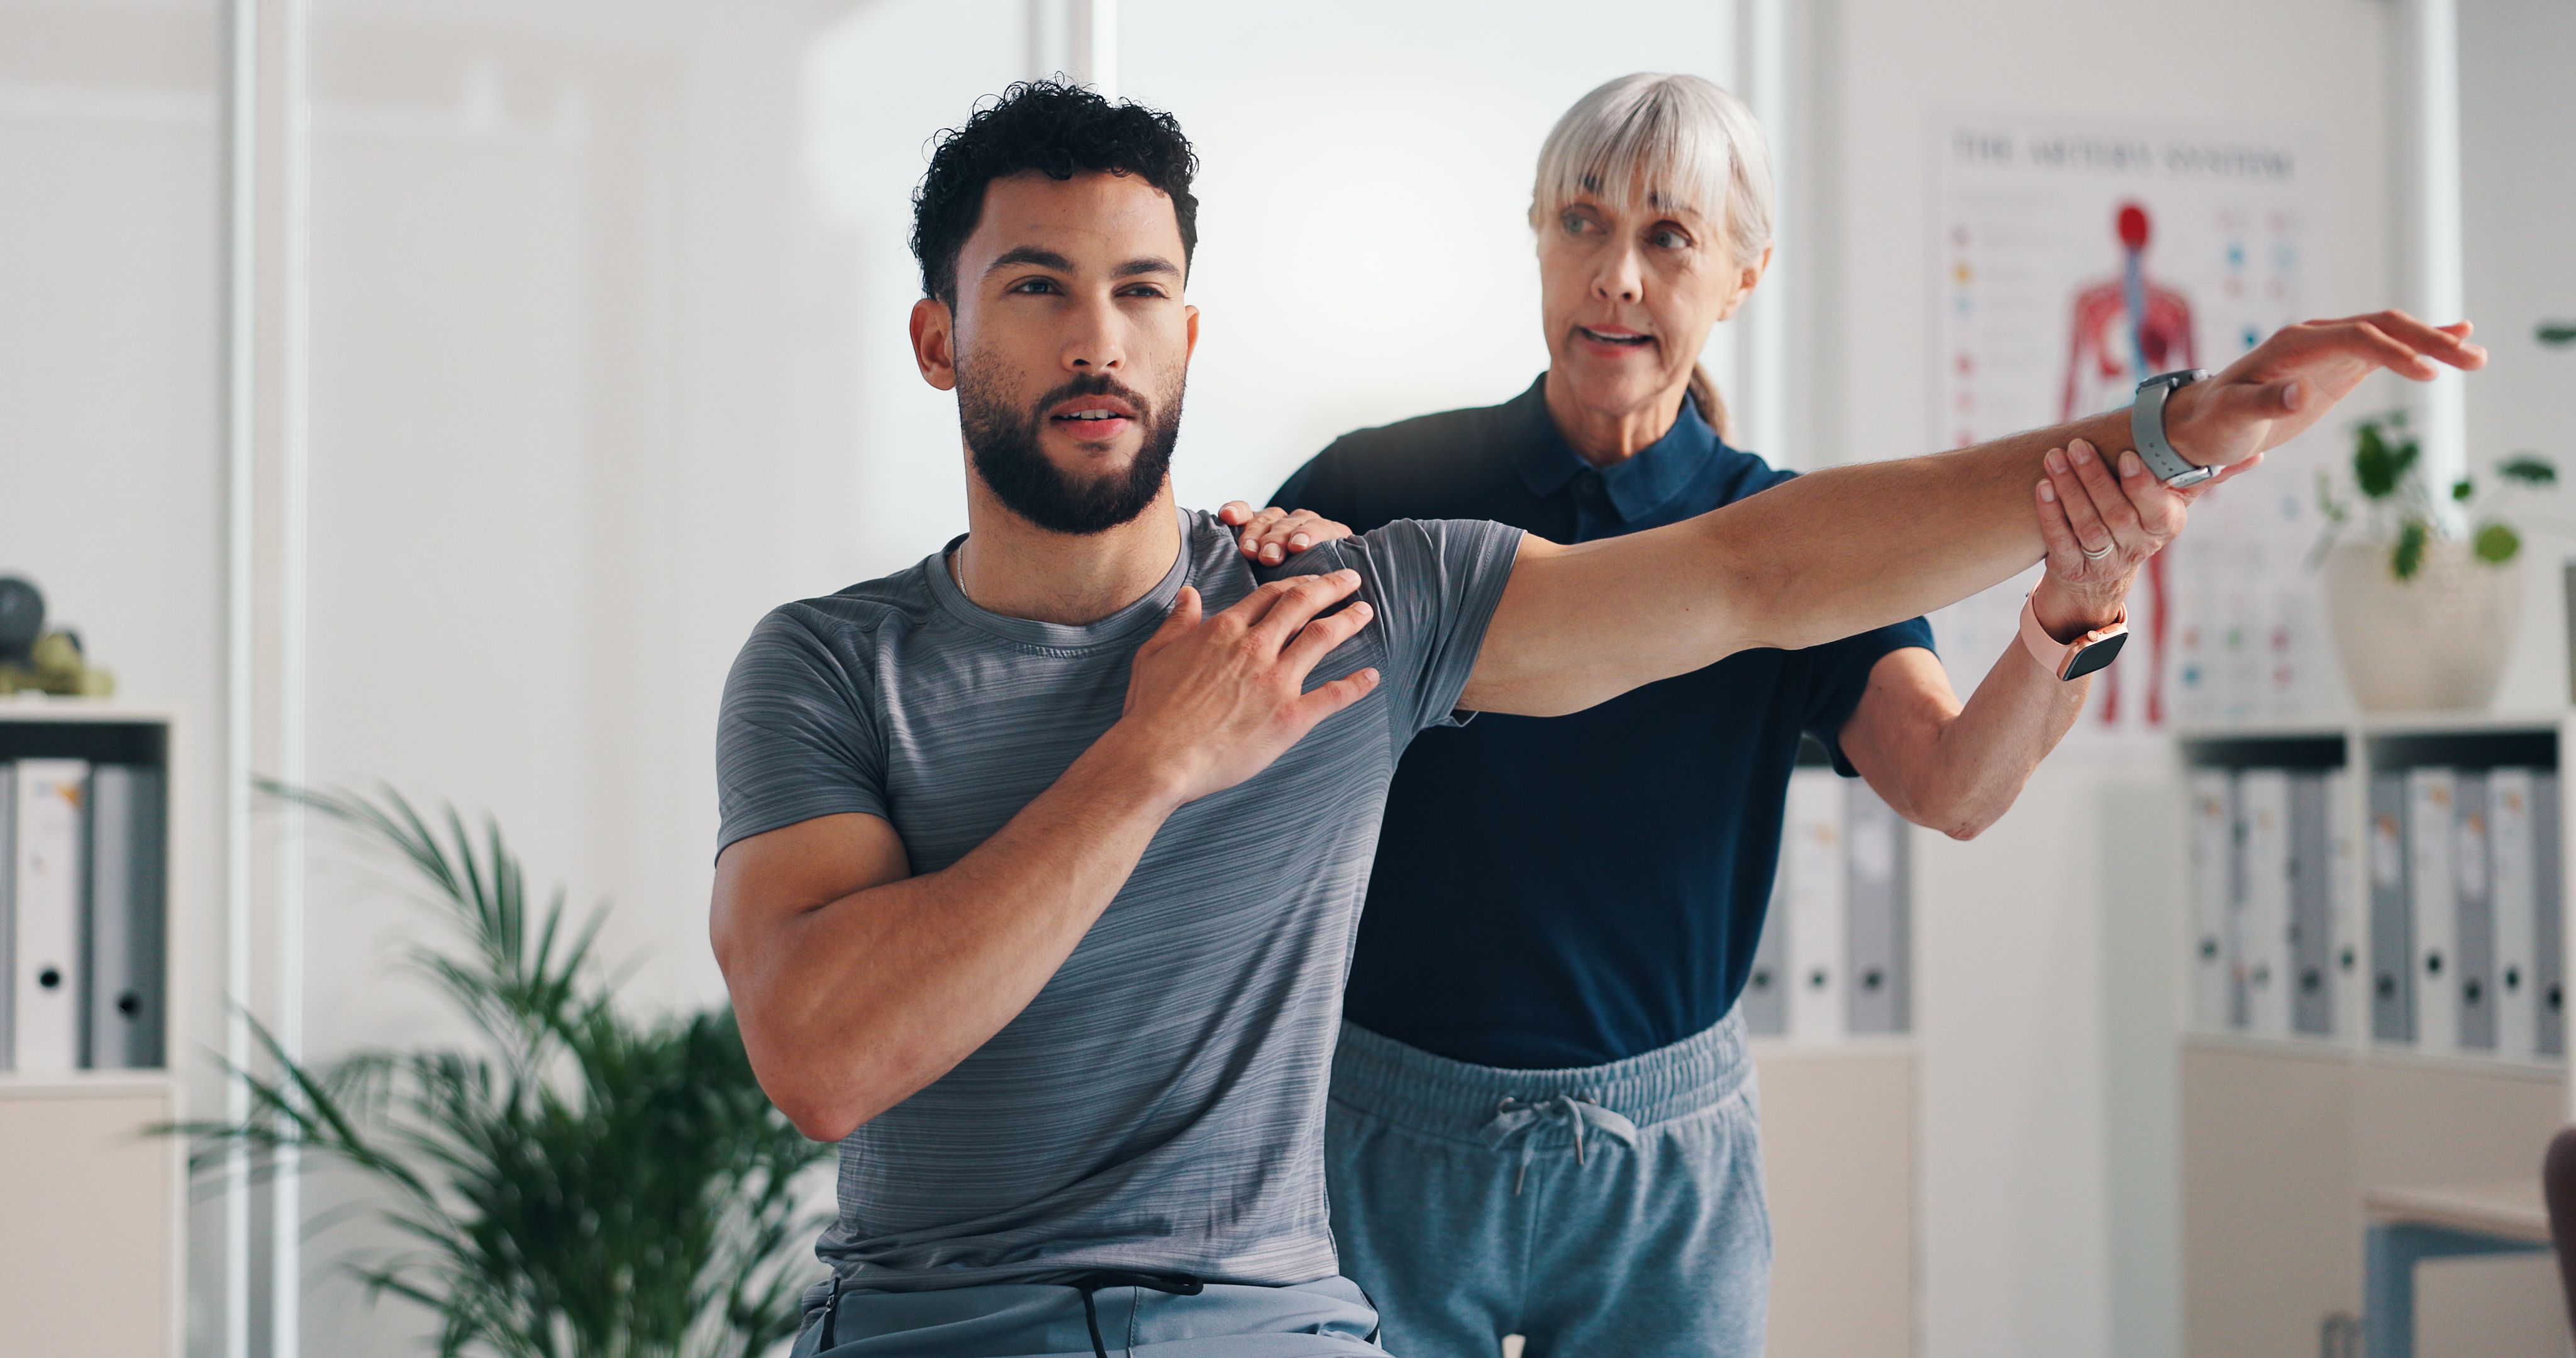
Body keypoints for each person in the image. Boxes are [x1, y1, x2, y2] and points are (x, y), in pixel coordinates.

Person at [707, 78, 2479, 1358]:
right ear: (938, 338)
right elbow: (824, 1056)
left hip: (1386, 1265)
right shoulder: (861, 661)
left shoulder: (1381, 598)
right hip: (1098, 1255)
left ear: (1188, 335)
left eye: (1138, 291)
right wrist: (1155, 752)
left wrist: (2170, 436)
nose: (1097, 338)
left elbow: (1784, 593)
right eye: (1037, 289)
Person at [1212, 73, 2205, 1357]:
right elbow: (1226, 760)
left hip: (1667, 1169)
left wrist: (2078, 608)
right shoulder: (1377, 481)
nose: (1615, 276)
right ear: (1534, 234)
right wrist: (1263, 564)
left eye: (1668, 237)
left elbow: (1953, 785)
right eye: (1582, 222)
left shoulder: (1790, 537)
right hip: (1381, 1129)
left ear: (1743, 275)